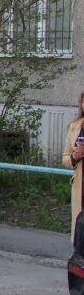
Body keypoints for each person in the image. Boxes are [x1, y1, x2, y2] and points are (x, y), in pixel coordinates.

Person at [60, 90, 84, 245]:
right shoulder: (75, 127)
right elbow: (65, 157)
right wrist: (74, 158)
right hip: (80, 187)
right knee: (80, 231)